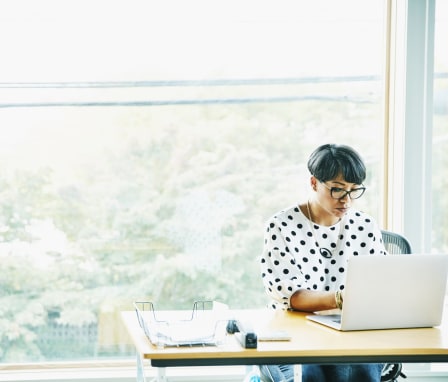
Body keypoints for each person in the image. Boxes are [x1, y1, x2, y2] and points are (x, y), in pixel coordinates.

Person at [259, 143, 387, 382]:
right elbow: (291, 295)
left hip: (350, 333)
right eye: (337, 190)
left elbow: (380, 282)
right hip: (293, 333)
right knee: (309, 376)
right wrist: (341, 298)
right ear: (314, 183)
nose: (347, 200)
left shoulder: (365, 226)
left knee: (357, 371)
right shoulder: (281, 224)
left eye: (354, 190)